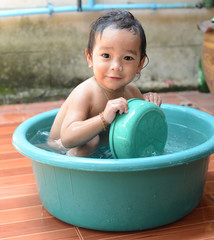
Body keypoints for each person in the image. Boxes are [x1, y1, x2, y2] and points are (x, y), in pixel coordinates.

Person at [48, 10, 162, 157]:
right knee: (91, 141)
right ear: (90, 58)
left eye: (127, 58)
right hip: (60, 149)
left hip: (102, 147)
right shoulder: (85, 93)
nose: (116, 66)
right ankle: (74, 173)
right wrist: (103, 119)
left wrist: (150, 108)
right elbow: (67, 138)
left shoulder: (132, 93)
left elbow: (144, 131)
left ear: (140, 64)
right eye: (106, 55)